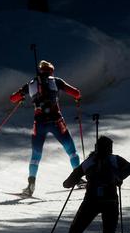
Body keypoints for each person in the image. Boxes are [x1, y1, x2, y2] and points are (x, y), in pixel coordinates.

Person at [9, 60, 82, 197]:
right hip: (57, 122)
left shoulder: (31, 84)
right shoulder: (57, 81)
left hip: (39, 124)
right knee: (71, 150)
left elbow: (13, 98)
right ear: (51, 71)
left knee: (36, 156)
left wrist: (22, 97)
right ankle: (78, 178)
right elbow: (76, 93)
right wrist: (77, 98)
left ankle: (31, 184)